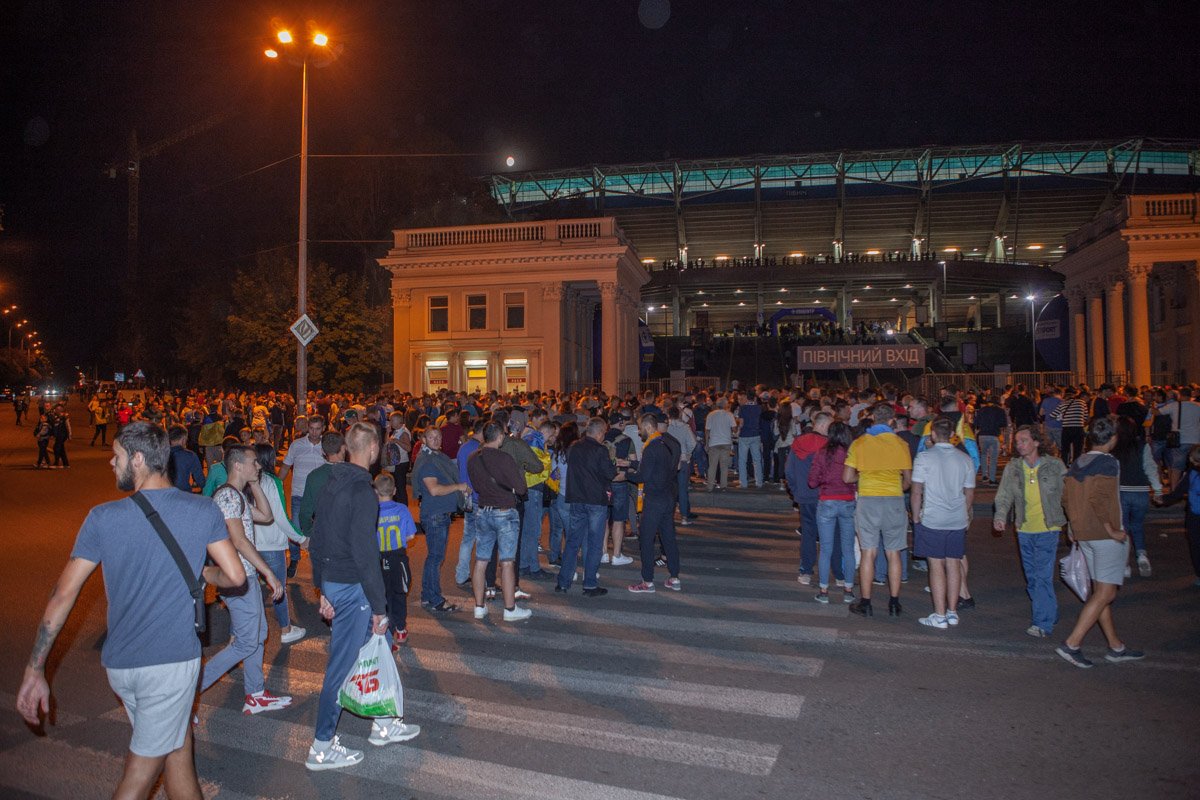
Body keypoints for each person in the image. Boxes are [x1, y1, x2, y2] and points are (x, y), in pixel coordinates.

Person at [16, 422, 246, 799]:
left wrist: (35, 666)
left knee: (178, 752)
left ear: (138, 460)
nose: (111, 462)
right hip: (168, 664)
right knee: (138, 778)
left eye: (117, 456)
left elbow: (63, 594)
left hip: (123, 665)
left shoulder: (102, 518)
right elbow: (235, 576)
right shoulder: (201, 510)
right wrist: (204, 573)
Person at [308, 422, 421, 770]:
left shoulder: (332, 481)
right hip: (353, 587)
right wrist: (379, 606)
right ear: (372, 450)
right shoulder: (362, 492)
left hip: (336, 582)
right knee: (340, 668)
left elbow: (317, 535)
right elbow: (365, 554)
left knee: (381, 646)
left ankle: (384, 724)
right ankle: (321, 746)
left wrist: (321, 587)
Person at [199, 445, 291, 713]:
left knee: (258, 634)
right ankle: (188, 693)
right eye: (253, 463)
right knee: (246, 642)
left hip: (245, 578)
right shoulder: (227, 497)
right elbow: (238, 541)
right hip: (238, 580)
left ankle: (255, 694)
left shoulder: (236, 495)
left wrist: (255, 484)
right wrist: (269, 572)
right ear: (237, 465)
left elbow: (267, 515)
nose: (259, 466)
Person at [1056, 416, 1146, 668]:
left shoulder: (1078, 462)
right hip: (1104, 535)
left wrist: (1073, 525)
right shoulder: (1108, 463)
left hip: (1084, 533)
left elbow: (1066, 497)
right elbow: (1100, 498)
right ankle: (1072, 644)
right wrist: (1113, 530)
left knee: (1100, 594)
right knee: (1106, 592)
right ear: (1113, 438)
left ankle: (1116, 646)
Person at [993, 425, 1067, 637]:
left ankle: (1042, 623)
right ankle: (1049, 611)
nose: (1019, 445)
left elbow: (1068, 495)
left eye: (1024, 440)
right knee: (1033, 577)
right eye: (1017, 442)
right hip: (1024, 528)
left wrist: (1073, 525)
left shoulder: (1055, 465)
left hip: (1048, 527)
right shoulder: (1013, 467)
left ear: (1036, 442)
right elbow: (1004, 495)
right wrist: (1000, 517)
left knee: (1042, 576)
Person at [843, 403, 913, 617]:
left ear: (872, 418)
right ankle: (894, 602)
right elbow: (908, 481)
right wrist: (895, 488)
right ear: (892, 420)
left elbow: (847, 477)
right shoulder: (901, 443)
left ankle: (866, 602)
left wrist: (862, 478)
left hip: (868, 500)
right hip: (893, 500)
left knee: (868, 552)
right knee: (894, 553)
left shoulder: (860, 443)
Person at [911, 417, 976, 629]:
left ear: (932, 434)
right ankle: (952, 611)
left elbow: (917, 490)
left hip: (933, 518)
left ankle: (939, 615)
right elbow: (969, 492)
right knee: (954, 563)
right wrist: (964, 513)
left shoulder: (924, 457)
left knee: (936, 565)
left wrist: (915, 516)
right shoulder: (964, 459)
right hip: (956, 518)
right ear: (951, 435)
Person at [466, 422, 532, 620]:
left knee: (481, 560)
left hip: (483, 510)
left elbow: (476, 485)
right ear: (500, 437)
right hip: (504, 512)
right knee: (507, 562)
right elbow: (521, 488)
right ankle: (510, 609)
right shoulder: (504, 458)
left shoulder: (472, 458)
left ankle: (479, 606)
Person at [252, 444, 307, 645]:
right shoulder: (272, 481)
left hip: (250, 545)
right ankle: (285, 629)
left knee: (253, 588)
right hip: (272, 545)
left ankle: (252, 628)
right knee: (278, 588)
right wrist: (301, 539)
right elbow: (281, 518)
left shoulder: (246, 481)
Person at [558, 416, 618, 596]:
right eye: (603, 434)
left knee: (572, 542)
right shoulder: (600, 450)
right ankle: (590, 584)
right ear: (599, 433)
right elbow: (609, 473)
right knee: (594, 543)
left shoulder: (573, 447)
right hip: (595, 501)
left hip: (576, 498)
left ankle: (563, 582)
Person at [412, 426, 469, 613]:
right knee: (435, 559)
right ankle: (435, 599)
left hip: (439, 514)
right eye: (431, 437)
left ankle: (428, 596)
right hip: (435, 515)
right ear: (424, 439)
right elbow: (434, 490)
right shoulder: (428, 462)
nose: (436, 440)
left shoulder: (435, 458)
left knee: (434, 558)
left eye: (438, 437)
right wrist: (458, 487)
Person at [627, 413, 683, 593]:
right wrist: (633, 464)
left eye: (640, 428)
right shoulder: (669, 443)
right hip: (668, 496)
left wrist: (626, 474)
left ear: (648, 427)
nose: (638, 431)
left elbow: (643, 476)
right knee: (668, 539)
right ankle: (674, 578)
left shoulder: (651, 447)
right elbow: (660, 469)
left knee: (646, 539)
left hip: (654, 499)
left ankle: (647, 582)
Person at [807, 421, 857, 604]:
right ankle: (849, 589)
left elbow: (812, 482)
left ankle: (823, 590)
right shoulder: (851, 453)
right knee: (848, 548)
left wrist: (823, 479)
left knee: (826, 548)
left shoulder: (822, 453)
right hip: (847, 502)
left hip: (827, 501)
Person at [1113, 415, 1163, 578]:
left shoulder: (1114, 446)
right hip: (1140, 490)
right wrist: (1157, 489)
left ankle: (1125, 563)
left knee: (1123, 527)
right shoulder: (1142, 446)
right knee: (1137, 525)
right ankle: (1142, 555)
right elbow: (1150, 467)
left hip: (1120, 490)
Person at [787, 410, 833, 586]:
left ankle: (806, 570)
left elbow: (789, 470)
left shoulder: (798, 442)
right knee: (829, 534)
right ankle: (838, 573)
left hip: (805, 495)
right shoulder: (828, 445)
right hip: (825, 494)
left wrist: (795, 490)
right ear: (821, 425)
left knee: (808, 533)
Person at [280, 415, 328, 577]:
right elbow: (286, 466)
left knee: (323, 529)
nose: (314, 432)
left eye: (318, 429)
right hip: (299, 494)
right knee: (295, 528)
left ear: (323, 428)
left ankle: (321, 561)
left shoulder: (327, 446)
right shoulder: (296, 445)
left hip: (322, 496)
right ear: (307, 427)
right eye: (312, 428)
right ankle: (294, 559)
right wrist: (277, 484)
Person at [374, 472, 417, 648]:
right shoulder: (402, 509)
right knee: (399, 594)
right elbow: (411, 535)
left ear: (375, 492)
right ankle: (400, 628)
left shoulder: (373, 511)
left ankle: (386, 632)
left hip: (379, 558)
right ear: (395, 490)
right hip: (398, 558)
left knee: (382, 596)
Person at [297, 432, 348, 537]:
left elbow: (305, 512)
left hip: (323, 533)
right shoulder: (354, 474)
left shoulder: (314, 476)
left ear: (322, 451)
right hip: (348, 535)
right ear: (344, 448)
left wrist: (309, 533)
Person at [1163, 445, 1200, 586]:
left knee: (1195, 545)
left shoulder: (1192, 473)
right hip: (1194, 513)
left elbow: (1178, 492)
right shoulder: (1192, 473)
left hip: (1194, 514)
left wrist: (1165, 499)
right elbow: (1179, 492)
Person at [973, 395, 1007, 485]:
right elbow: (1004, 424)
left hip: (982, 435)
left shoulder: (982, 410)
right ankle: (992, 479)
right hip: (994, 435)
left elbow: (976, 423)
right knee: (993, 458)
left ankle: (984, 476)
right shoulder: (1000, 411)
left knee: (983, 455)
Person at [704, 396, 736, 491]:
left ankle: (710, 486)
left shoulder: (710, 415)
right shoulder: (729, 415)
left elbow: (707, 430)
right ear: (726, 405)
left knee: (712, 466)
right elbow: (734, 428)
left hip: (713, 442)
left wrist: (706, 443)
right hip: (726, 442)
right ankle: (723, 486)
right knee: (724, 466)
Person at [735, 392, 764, 488]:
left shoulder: (742, 408)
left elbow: (741, 423)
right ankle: (759, 482)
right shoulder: (759, 408)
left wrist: (738, 430)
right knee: (757, 459)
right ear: (754, 398)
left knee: (742, 460)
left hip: (744, 435)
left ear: (747, 398)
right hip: (756, 434)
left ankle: (743, 483)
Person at [168, 424, 205, 493]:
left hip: (165, 494)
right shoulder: (190, 455)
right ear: (183, 439)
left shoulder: (161, 454)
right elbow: (200, 479)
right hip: (184, 494)